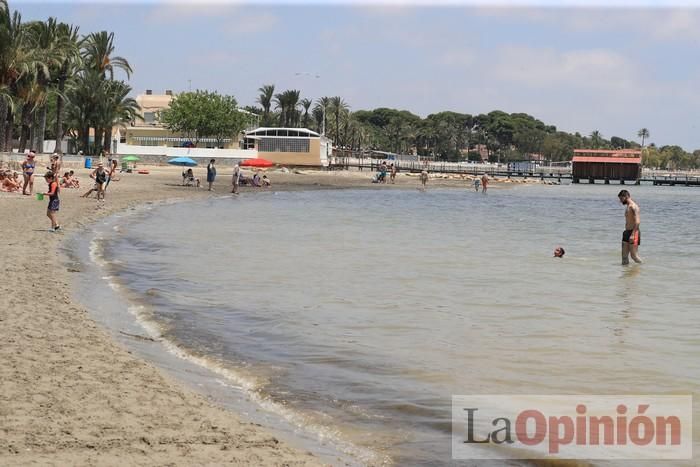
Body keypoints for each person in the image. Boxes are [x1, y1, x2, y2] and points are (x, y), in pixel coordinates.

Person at [618, 190, 643, 265]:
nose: (620, 201)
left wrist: (632, 234)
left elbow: (637, 221)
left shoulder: (633, 207)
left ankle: (643, 268)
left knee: (634, 256)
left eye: (621, 199)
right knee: (624, 257)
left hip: (634, 233)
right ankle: (625, 275)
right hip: (626, 232)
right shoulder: (628, 206)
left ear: (626, 196)